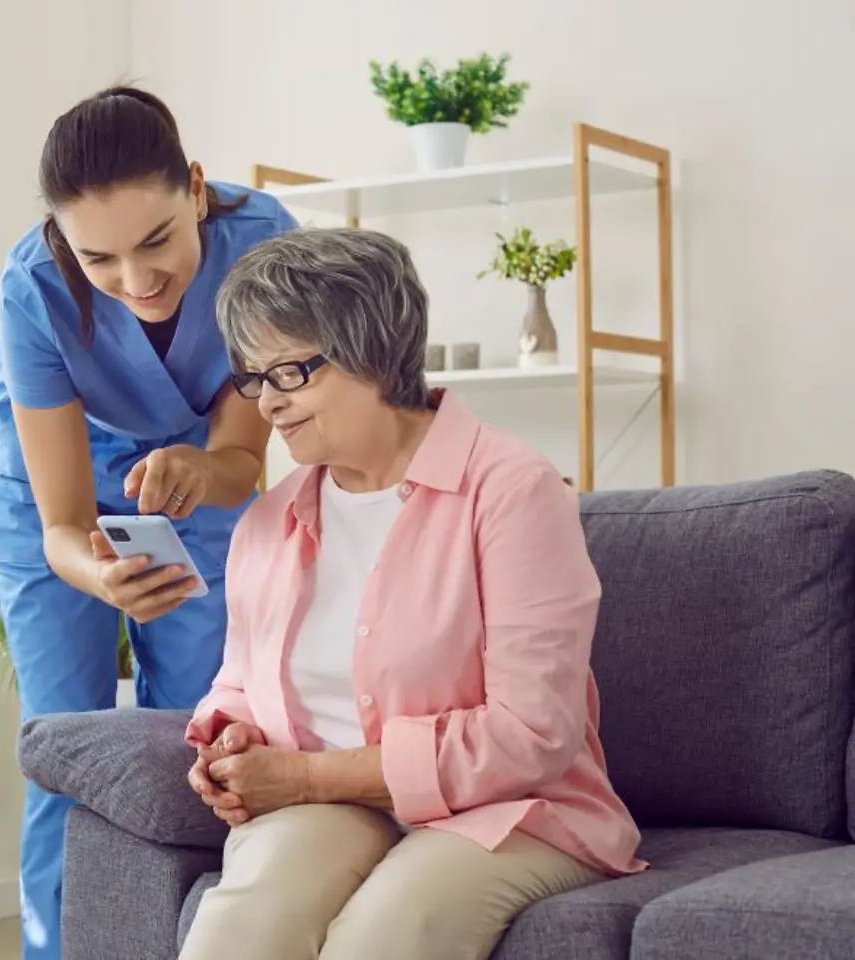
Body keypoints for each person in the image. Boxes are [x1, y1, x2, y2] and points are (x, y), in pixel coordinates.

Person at [177, 227, 647, 960]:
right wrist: (227, 734)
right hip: (335, 806)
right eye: (253, 378)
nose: (266, 404)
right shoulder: (270, 521)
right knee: (238, 928)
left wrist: (304, 776)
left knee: (382, 935)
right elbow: (238, 679)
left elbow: (533, 736)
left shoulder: (512, 492)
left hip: (507, 811)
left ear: (371, 351)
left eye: (290, 373)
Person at [0, 85, 300, 959]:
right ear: (63, 244)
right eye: (100, 260)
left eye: (157, 240)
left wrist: (199, 466)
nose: (136, 280)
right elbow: (61, 526)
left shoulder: (263, 244)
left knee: (198, 737)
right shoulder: (35, 289)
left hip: (197, 480)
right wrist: (99, 573)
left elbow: (241, 463)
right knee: (66, 741)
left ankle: (180, 943)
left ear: (195, 190)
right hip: (50, 504)